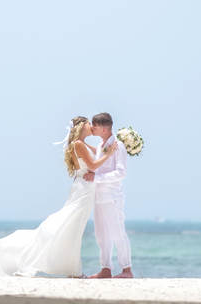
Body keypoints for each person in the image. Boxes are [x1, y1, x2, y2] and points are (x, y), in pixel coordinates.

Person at [0, 116, 116, 277]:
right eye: (88, 123)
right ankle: (72, 270)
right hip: (83, 190)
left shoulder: (81, 144)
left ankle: (73, 269)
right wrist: (109, 154)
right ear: (81, 126)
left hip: (84, 188)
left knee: (74, 228)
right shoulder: (78, 144)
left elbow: (96, 156)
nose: (92, 125)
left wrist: (107, 147)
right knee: (71, 225)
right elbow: (93, 165)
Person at [85, 112, 132, 278]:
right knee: (101, 234)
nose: (92, 128)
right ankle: (106, 268)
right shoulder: (100, 145)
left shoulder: (118, 146)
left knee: (117, 232)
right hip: (98, 195)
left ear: (104, 128)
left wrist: (96, 178)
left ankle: (127, 269)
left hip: (112, 196)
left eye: (95, 126)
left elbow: (121, 173)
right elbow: (97, 159)